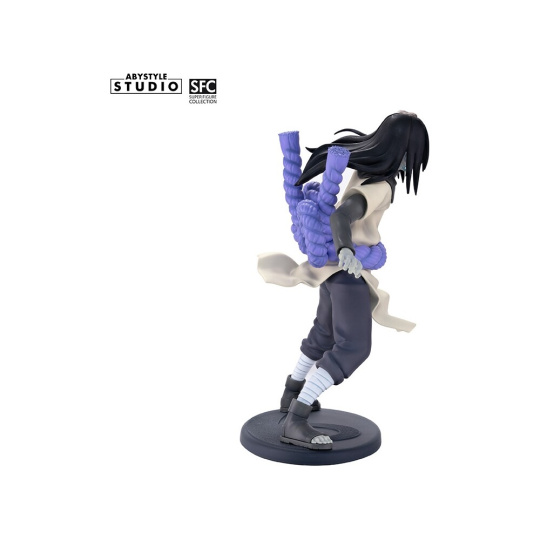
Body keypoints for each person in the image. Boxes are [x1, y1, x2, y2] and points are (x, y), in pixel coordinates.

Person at [258, 111, 430, 450]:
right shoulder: (380, 186)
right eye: (413, 155)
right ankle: (297, 418)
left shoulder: (364, 170)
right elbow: (342, 214)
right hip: (347, 273)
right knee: (353, 347)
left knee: (324, 333)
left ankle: (292, 391)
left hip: (333, 271)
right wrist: (348, 250)